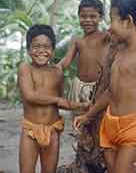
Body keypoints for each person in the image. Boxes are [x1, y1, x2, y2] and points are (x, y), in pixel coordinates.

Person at [74, 0, 136, 173]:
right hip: (109, 126)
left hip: (132, 129)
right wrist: (88, 115)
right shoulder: (119, 54)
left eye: (112, 19)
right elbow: (110, 92)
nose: (108, 27)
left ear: (127, 21)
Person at [18, 24, 89, 173]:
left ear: (53, 50)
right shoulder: (25, 68)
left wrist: (82, 106)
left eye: (46, 47)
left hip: (52, 129)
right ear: (28, 49)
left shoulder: (57, 72)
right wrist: (57, 100)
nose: (41, 51)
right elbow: (30, 96)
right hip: (30, 130)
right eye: (36, 46)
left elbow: (61, 101)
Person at [58, 0, 109, 104]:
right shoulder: (77, 41)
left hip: (99, 86)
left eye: (93, 16)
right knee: (78, 118)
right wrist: (53, 69)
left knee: (97, 117)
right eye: (83, 16)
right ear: (78, 17)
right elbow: (66, 61)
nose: (88, 20)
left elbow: (117, 30)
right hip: (79, 87)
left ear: (101, 18)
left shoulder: (105, 37)